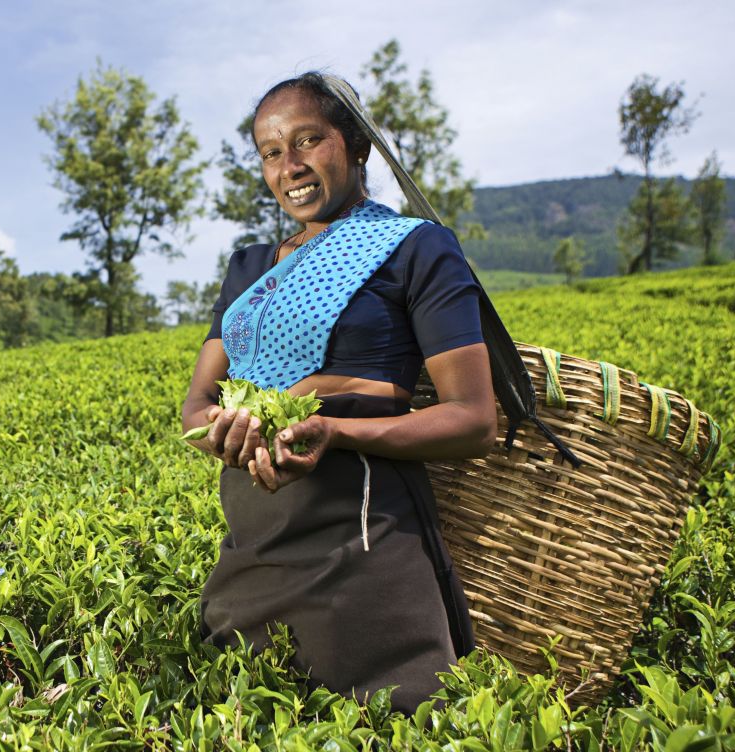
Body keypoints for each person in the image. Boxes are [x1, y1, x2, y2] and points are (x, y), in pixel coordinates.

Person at [181, 72, 498, 714]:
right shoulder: (248, 268)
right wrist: (220, 431)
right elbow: (195, 405)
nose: (289, 166)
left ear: (357, 147)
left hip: (361, 537)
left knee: (385, 712)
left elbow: (473, 419)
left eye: (307, 141)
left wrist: (337, 429)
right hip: (255, 536)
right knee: (243, 709)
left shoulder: (416, 249)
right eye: (271, 152)